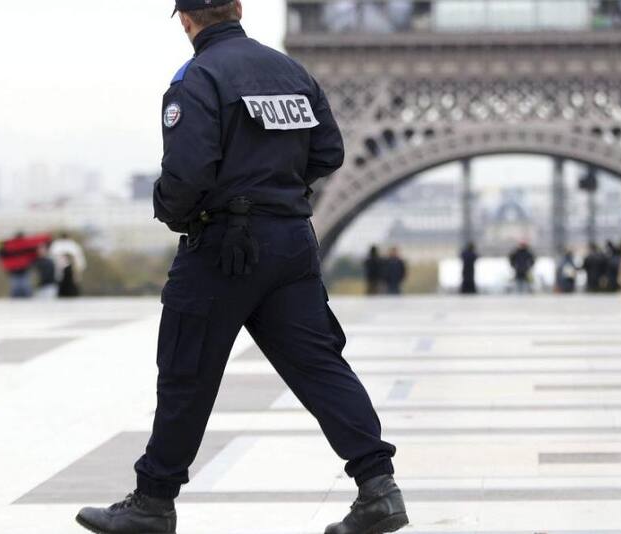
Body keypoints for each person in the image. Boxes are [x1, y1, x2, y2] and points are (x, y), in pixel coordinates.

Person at [74, 3, 406, 534]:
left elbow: (186, 173)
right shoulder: (291, 71)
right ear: (239, 8)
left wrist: (177, 210)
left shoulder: (197, 77)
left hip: (223, 246)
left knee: (186, 372)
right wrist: (277, 186)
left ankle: (153, 503)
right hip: (291, 242)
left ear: (186, 20)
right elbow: (329, 152)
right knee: (320, 366)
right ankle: (378, 487)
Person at [0, 231, 52, 299]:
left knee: (20, 288)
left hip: (19, 271)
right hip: (18, 271)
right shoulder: (23, 244)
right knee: (20, 288)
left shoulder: (11, 245)